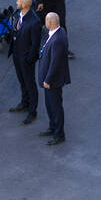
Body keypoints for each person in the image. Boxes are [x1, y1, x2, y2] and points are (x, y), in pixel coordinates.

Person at [8, 0, 42, 124]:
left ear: (25, 5)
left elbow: (35, 44)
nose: (16, 2)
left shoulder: (34, 22)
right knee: (22, 80)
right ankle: (24, 102)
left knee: (29, 83)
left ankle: (32, 111)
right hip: (16, 53)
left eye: (19, 1)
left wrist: (29, 58)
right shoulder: (18, 13)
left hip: (26, 57)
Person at [37, 11, 69, 145]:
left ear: (50, 23)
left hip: (52, 81)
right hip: (50, 79)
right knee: (50, 105)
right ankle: (53, 127)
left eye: (46, 21)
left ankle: (59, 134)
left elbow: (55, 63)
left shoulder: (57, 40)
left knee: (55, 107)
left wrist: (48, 80)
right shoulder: (58, 32)